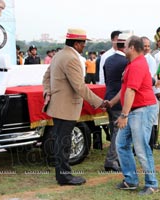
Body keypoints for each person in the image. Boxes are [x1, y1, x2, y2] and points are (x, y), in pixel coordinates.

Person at [42, 28, 106, 186]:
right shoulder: (71, 58)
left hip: (58, 107)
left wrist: (48, 93)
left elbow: (46, 77)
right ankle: (64, 176)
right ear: (76, 43)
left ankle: (61, 174)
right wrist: (100, 102)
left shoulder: (58, 55)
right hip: (66, 108)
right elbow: (80, 87)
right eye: (83, 43)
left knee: (60, 141)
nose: (84, 46)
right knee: (64, 143)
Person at [109, 36, 159, 195]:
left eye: (125, 46)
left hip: (142, 110)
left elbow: (131, 91)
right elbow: (125, 89)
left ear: (132, 47)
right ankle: (131, 180)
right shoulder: (132, 64)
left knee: (141, 147)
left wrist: (123, 115)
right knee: (121, 144)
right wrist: (112, 102)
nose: (123, 48)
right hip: (135, 110)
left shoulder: (137, 65)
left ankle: (152, 183)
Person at [103, 34, 129, 172]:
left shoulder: (108, 60)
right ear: (125, 47)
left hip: (108, 97)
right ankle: (111, 160)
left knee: (114, 130)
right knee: (118, 132)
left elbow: (107, 80)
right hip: (119, 100)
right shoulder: (126, 62)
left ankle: (115, 158)